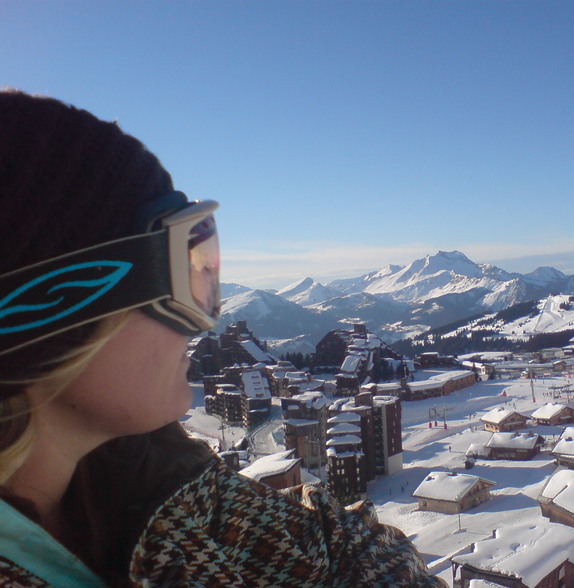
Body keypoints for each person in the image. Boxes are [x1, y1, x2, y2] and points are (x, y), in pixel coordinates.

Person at [0, 90, 446, 587]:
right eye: (182, 275)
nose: (201, 323)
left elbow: (346, 548)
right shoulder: (151, 482)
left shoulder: (154, 484)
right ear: (53, 302)